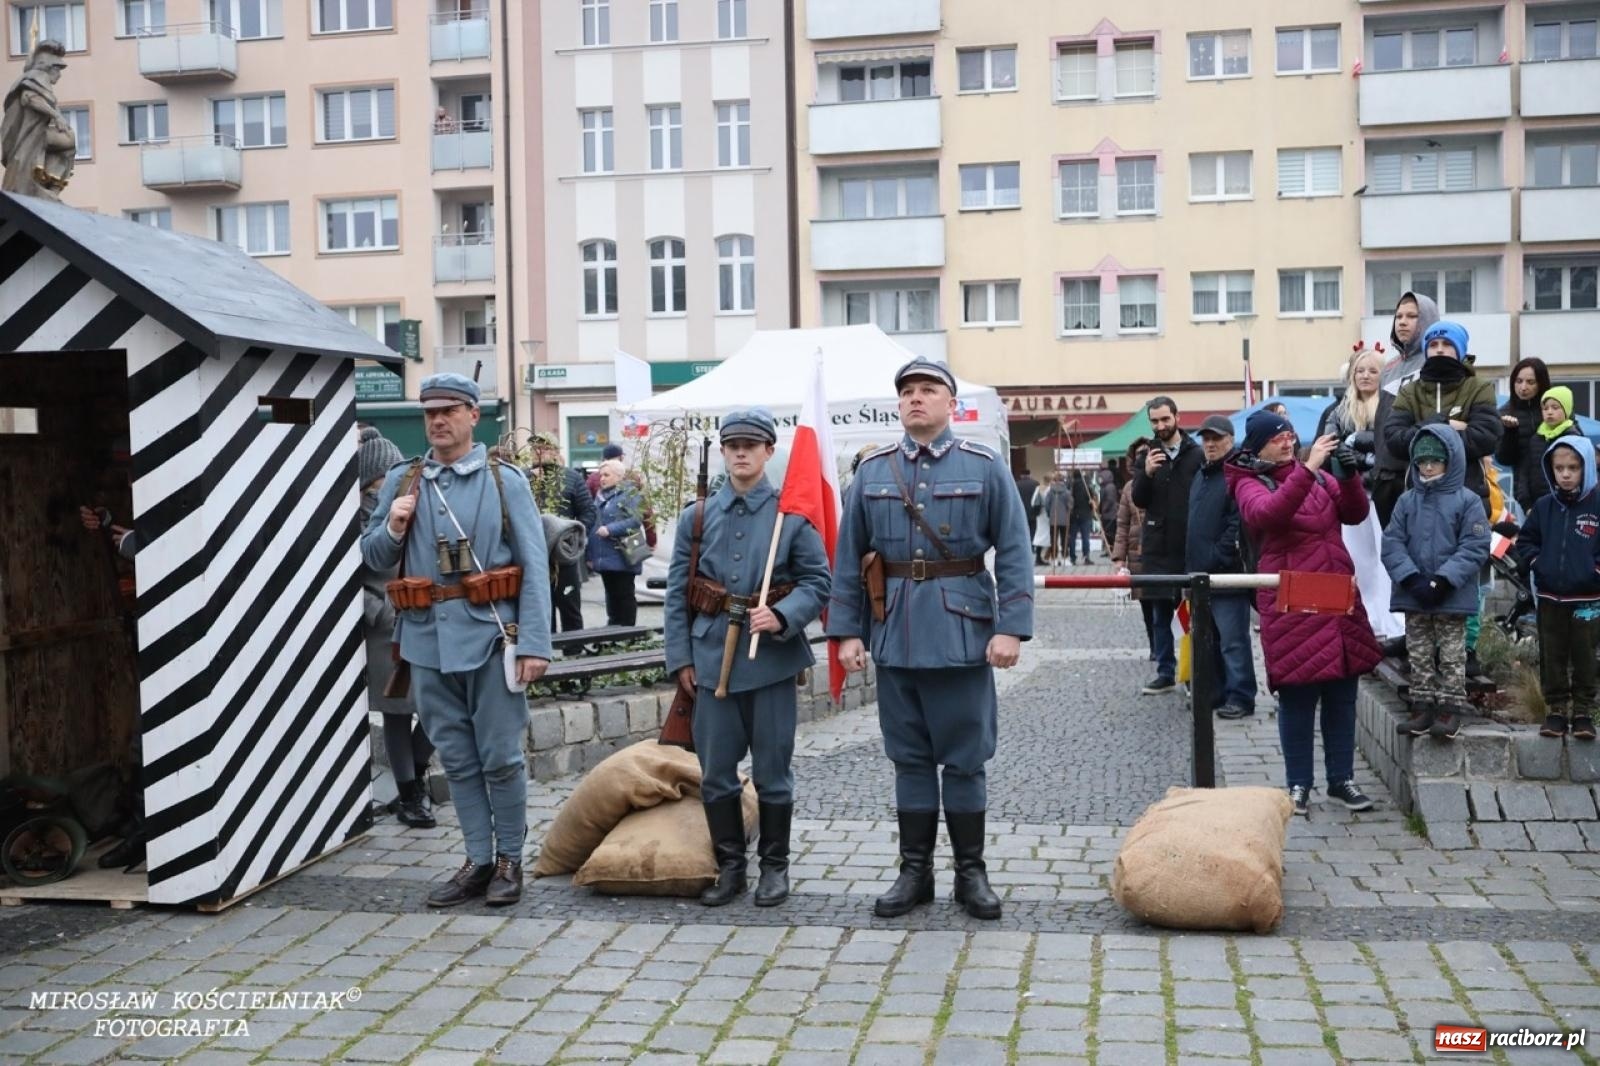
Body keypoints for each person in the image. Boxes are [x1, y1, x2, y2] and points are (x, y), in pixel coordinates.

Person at [826, 357, 1033, 921]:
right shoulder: (872, 473)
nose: (916, 399)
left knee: (965, 761)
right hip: (895, 633)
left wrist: (1011, 626)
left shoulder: (985, 466)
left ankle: (972, 874)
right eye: (908, 392)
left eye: (929, 390)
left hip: (963, 633)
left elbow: (1014, 549)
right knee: (909, 759)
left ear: (950, 403)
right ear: (899, 404)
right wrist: (846, 631)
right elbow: (849, 560)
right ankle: (913, 873)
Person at [361, 373, 553, 907]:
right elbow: (370, 558)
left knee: (499, 757)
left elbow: (534, 565)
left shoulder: (502, 480)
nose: (438, 421)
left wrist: (536, 643)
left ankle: (510, 859)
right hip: (425, 642)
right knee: (457, 759)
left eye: (449, 411)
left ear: (473, 415)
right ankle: (477, 860)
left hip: (491, 637)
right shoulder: (404, 480)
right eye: (430, 413)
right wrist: (393, 529)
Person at [664, 408, 832, 908]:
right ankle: (730, 867)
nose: (741, 452)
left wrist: (783, 616)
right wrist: (681, 660)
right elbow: (678, 593)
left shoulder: (791, 515)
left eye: (751, 445)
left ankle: (774, 869)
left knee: (772, 771)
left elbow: (818, 581)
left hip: (770, 665)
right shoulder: (696, 517)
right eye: (732, 444)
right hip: (711, 658)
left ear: (768, 452)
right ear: (722, 451)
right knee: (715, 772)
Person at [1227, 411, 1382, 816]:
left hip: (1334, 588)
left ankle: (1341, 780)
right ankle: (1298, 784)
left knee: (1342, 692)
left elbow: (1354, 514)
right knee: (1298, 691)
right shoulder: (1247, 480)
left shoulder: (1315, 476)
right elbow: (1268, 515)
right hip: (1290, 594)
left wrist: (1347, 478)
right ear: (1258, 445)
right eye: (1278, 438)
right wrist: (1308, 468)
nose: (1287, 442)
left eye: (1290, 436)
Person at [1383, 321, 1503, 677]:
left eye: (1446, 345)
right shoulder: (1410, 390)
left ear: (1460, 350)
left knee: (1467, 575)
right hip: (1418, 495)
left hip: (1467, 492)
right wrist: (1449, 426)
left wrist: (1431, 433)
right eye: (1433, 345)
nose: (1438, 351)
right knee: (1421, 567)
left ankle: (1465, 650)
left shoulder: (1477, 387)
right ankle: (1419, 645)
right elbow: (1394, 437)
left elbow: (1487, 435)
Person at [1381, 427, 1491, 740]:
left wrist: (1444, 579)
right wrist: (1411, 577)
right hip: (1414, 592)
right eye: (1422, 461)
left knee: (1453, 653)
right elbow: (1392, 542)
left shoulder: (1467, 501)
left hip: (1450, 594)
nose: (1428, 467)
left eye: (1435, 461)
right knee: (1418, 651)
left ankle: (1451, 707)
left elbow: (1475, 545)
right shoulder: (1407, 501)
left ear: (1450, 461)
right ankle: (1422, 704)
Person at [358, 426, 437, 829]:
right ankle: (409, 794)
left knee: (442, 702)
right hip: (386, 626)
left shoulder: (416, 501)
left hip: (422, 615)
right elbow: (346, 574)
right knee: (395, 710)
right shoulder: (354, 514)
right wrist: (381, 611)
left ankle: (416, 774)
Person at [1515, 439, 1600, 741]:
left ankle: (1583, 713)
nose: (1566, 474)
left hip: (1587, 600)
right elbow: (1525, 542)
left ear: (1586, 467)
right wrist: (1540, 563)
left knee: (1585, 658)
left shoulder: (1597, 504)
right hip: (1550, 597)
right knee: (1552, 655)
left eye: (1573, 468)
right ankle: (1556, 711)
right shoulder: (1544, 506)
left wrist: (1594, 571)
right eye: (1559, 468)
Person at [1320, 345, 1405, 645]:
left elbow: (1391, 451)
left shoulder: (1393, 406)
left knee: (1387, 558)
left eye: (1372, 370)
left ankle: (1395, 625)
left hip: (1384, 493)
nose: (1366, 376)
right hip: (1351, 496)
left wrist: (1360, 454)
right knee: (1358, 560)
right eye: (1360, 370)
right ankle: (1368, 622)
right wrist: (1356, 458)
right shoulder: (1338, 410)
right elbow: (1331, 447)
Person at [1130, 396, 1204, 695]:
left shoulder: (1196, 454)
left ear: (1176, 417)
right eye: (1155, 421)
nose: (1160, 426)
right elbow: (1138, 499)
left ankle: (1190, 673)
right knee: (1159, 613)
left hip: (1187, 544)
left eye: (1165, 419)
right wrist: (1146, 473)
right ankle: (1165, 671)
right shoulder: (1146, 454)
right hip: (1157, 546)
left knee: (1188, 614)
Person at [1186, 415, 1257, 719]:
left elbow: (1236, 523)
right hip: (1200, 576)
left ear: (1230, 439)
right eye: (1206, 439)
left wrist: (1218, 555)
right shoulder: (1201, 474)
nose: (1210, 444)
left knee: (1232, 641)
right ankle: (1215, 694)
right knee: (1208, 641)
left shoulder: (1235, 474)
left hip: (1227, 576)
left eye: (1216, 438)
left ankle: (1241, 696)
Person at [1372, 291, 1442, 526]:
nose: (1402, 321)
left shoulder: (1435, 363)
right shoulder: (1389, 367)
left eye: (1411, 316)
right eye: (1398, 315)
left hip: (1418, 473)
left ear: (1428, 320)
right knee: (1393, 553)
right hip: (1384, 475)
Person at [528, 431, 597, 633]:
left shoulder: (571, 477)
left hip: (564, 554)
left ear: (556, 452)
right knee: (541, 607)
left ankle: (574, 650)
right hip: (535, 553)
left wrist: (573, 538)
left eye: (545, 448)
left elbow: (589, 511)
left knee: (569, 604)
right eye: (535, 449)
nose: (539, 452)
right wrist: (526, 477)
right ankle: (544, 652)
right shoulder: (523, 477)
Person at [2, 40, 75, 199]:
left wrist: (56, 116)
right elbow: (29, 99)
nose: (60, 74)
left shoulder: (40, 82)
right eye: (58, 69)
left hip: (38, 134)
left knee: (69, 142)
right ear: (49, 68)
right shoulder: (36, 78)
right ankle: (46, 184)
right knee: (68, 141)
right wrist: (56, 116)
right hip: (31, 135)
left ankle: (51, 183)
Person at [1111, 438, 1157, 661]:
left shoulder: (1163, 479)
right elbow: (1122, 524)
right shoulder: (1128, 488)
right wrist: (1119, 559)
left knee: (1166, 602)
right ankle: (1154, 646)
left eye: (1146, 452)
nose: (1143, 456)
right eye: (1139, 453)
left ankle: (1168, 648)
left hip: (1161, 551)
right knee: (1146, 604)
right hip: (1136, 554)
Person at [588, 458, 643, 626]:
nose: (602, 479)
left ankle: (627, 633)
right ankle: (613, 631)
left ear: (619, 476)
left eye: (606, 475)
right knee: (611, 596)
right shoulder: (600, 496)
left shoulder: (629, 494)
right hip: (604, 556)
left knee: (624, 596)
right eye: (600, 475)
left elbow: (636, 520)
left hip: (623, 554)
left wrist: (611, 529)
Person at [1496, 357, 1554, 514]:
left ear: (1541, 383)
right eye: (1518, 381)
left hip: (1559, 489)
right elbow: (1503, 459)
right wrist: (1510, 432)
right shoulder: (1504, 412)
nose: (1523, 387)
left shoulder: (1554, 409)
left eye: (1530, 382)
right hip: (1525, 496)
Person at [1066, 468, 1095, 564]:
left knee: (1072, 537)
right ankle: (1086, 556)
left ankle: (1072, 557)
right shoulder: (1086, 487)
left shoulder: (1071, 487)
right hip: (1085, 514)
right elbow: (1091, 499)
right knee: (1085, 537)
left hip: (1073, 515)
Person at [1043, 471, 1072, 566]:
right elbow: (1070, 505)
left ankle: (1054, 559)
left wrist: (1049, 514)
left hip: (1053, 518)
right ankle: (1065, 558)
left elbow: (1046, 504)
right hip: (1064, 519)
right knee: (1064, 539)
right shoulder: (1067, 492)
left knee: (1053, 540)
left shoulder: (1051, 492)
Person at [1097, 465, 1119, 559]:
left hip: (1109, 514)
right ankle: (1109, 550)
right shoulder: (1110, 486)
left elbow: (1109, 500)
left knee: (1109, 533)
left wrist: (1103, 509)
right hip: (1110, 514)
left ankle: (1111, 550)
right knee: (1109, 533)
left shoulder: (1108, 487)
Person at [1016, 469, 1040, 550]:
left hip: (1020, 512)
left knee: (1022, 530)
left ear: (1021, 475)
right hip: (1033, 511)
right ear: (1030, 474)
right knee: (1033, 529)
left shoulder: (1016, 484)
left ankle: (1024, 546)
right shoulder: (1036, 484)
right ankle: (1032, 545)